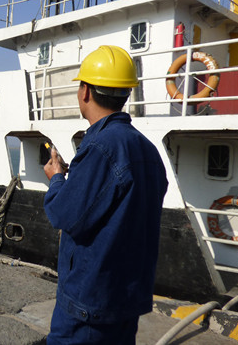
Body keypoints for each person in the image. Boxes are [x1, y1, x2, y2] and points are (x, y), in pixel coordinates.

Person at [43, 45, 168, 345]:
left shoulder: (100, 147)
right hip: (126, 301)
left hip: (90, 307)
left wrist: (57, 178)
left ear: (85, 91)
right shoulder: (148, 150)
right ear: (126, 93)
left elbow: (64, 215)